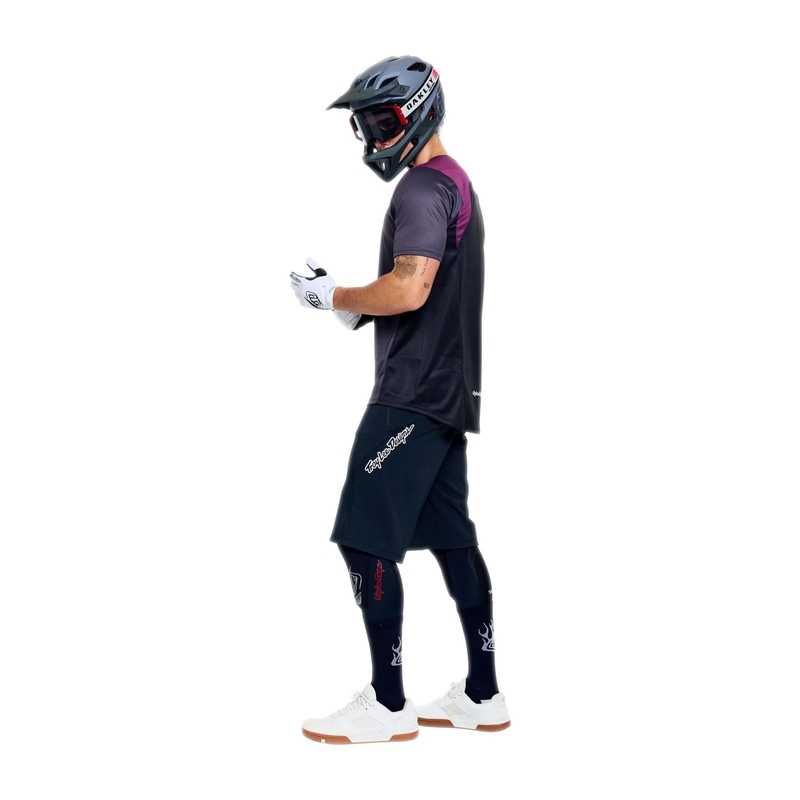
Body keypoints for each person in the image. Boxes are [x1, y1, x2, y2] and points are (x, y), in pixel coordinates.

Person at [290, 55, 510, 745]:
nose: (373, 138)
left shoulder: (421, 187)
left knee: (364, 541)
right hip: (447, 396)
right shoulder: (454, 182)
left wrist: (331, 294)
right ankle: (483, 693)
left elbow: (411, 288)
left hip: (410, 396)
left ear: (419, 112)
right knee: (452, 539)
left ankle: (387, 705)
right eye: (364, 125)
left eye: (382, 121)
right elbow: (424, 292)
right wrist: (353, 308)